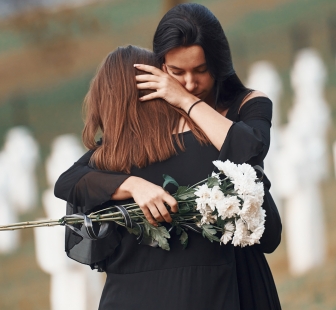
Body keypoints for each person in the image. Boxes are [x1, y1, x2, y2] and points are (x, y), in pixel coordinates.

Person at [55, 3, 282, 309]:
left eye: (201, 70)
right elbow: (70, 179)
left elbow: (247, 150)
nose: (190, 83)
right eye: (177, 73)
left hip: (237, 268)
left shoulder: (248, 104)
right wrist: (134, 185)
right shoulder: (153, 134)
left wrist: (184, 100)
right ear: (159, 69)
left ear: (218, 63)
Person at [75, 45, 240, 309]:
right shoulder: (211, 145)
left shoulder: (104, 164)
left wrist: (126, 183)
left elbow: (67, 183)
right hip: (205, 294)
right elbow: (270, 232)